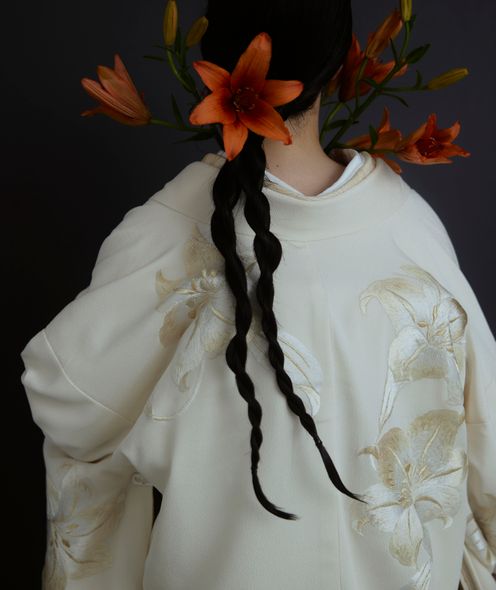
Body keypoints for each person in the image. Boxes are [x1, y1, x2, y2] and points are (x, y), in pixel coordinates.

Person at [20, 0, 495, 588]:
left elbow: (66, 398)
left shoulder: (167, 234)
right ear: (341, 65)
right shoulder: (410, 228)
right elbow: (487, 438)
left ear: (211, 61)